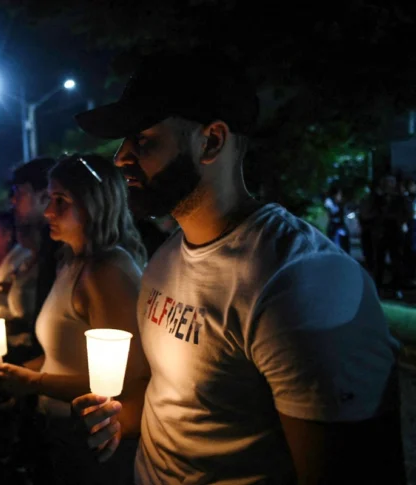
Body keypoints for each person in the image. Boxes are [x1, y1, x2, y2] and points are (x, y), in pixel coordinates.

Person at [71, 51, 402, 485]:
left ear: (211, 142)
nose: (120, 157)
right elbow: (189, 407)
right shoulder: (166, 259)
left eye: (143, 139)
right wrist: (120, 419)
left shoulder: (300, 284)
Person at [0, 154, 150, 485]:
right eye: (50, 199)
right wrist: (21, 372)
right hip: (64, 433)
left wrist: (33, 382)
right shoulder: (72, 263)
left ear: (94, 204)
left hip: (97, 438)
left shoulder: (106, 272)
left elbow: (125, 381)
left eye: (61, 201)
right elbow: (64, 356)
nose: (48, 212)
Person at [10, 157, 59, 322]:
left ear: (45, 195)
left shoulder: (62, 248)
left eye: (19, 192)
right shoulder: (45, 243)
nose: (13, 200)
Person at [324, 185, 350, 254]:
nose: (340, 196)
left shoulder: (340, 203)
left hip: (339, 226)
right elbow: (331, 214)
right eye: (339, 194)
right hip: (334, 227)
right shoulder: (329, 202)